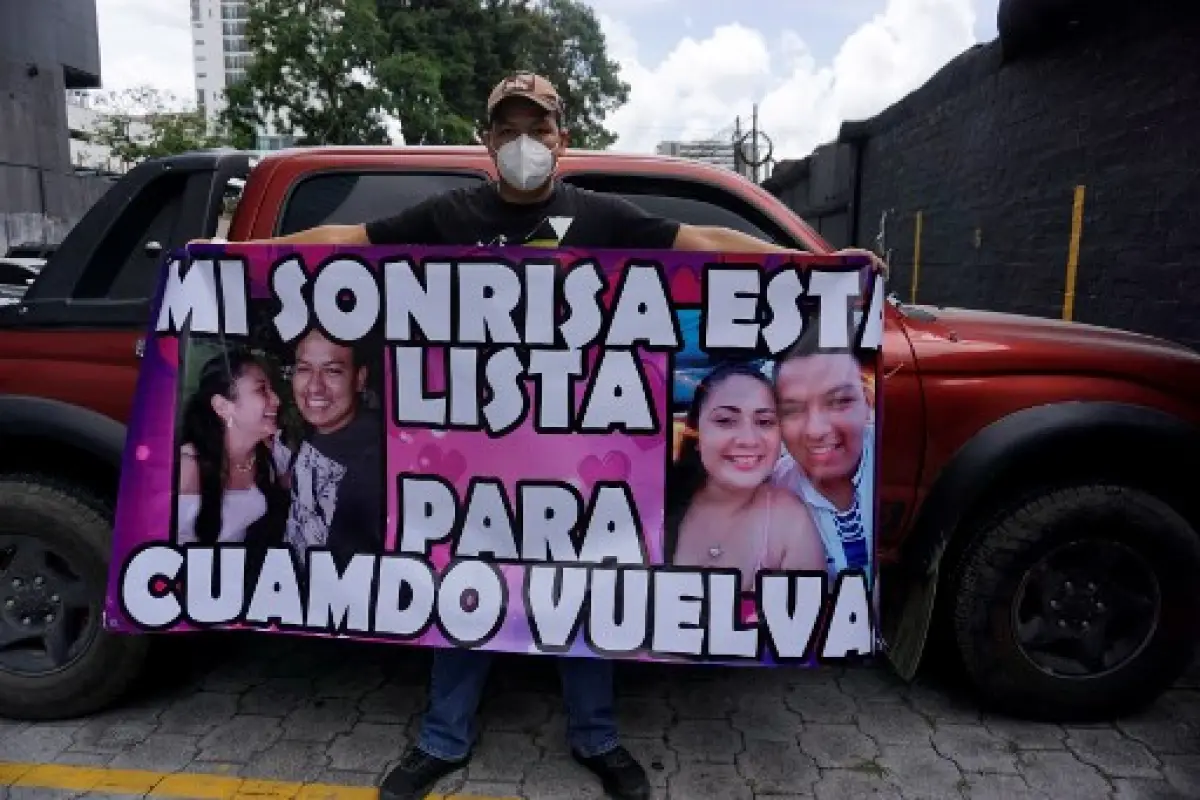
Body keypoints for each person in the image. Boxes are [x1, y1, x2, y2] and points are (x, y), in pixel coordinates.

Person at [194, 71, 888, 800]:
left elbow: (708, 242)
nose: (526, 142)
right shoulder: (451, 215)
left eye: (541, 126)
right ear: (487, 140)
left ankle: (598, 739)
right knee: (461, 587)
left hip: (575, 464)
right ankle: (441, 740)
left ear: (564, 135)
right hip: (473, 464)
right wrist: (240, 256)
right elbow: (343, 240)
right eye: (510, 128)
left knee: (584, 591)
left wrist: (819, 268)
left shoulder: (601, 216)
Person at [665, 362, 826, 608]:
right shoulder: (655, 503)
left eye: (764, 422)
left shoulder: (790, 522)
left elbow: (804, 634)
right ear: (695, 433)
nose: (748, 440)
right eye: (726, 421)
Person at [770, 331, 876, 588]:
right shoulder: (772, 494)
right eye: (793, 410)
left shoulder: (899, 462)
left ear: (868, 401)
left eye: (839, 402)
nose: (816, 430)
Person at [272, 329, 385, 567]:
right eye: (303, 369)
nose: (315, 387)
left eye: (332, 371)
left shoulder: (374, 457)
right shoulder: (318, 426)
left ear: (359, 378)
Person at [176, 350, 288, 549]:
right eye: (262, 390)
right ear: (222, 406)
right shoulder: (185, 469)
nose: (276, 401)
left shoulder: (267, 454)